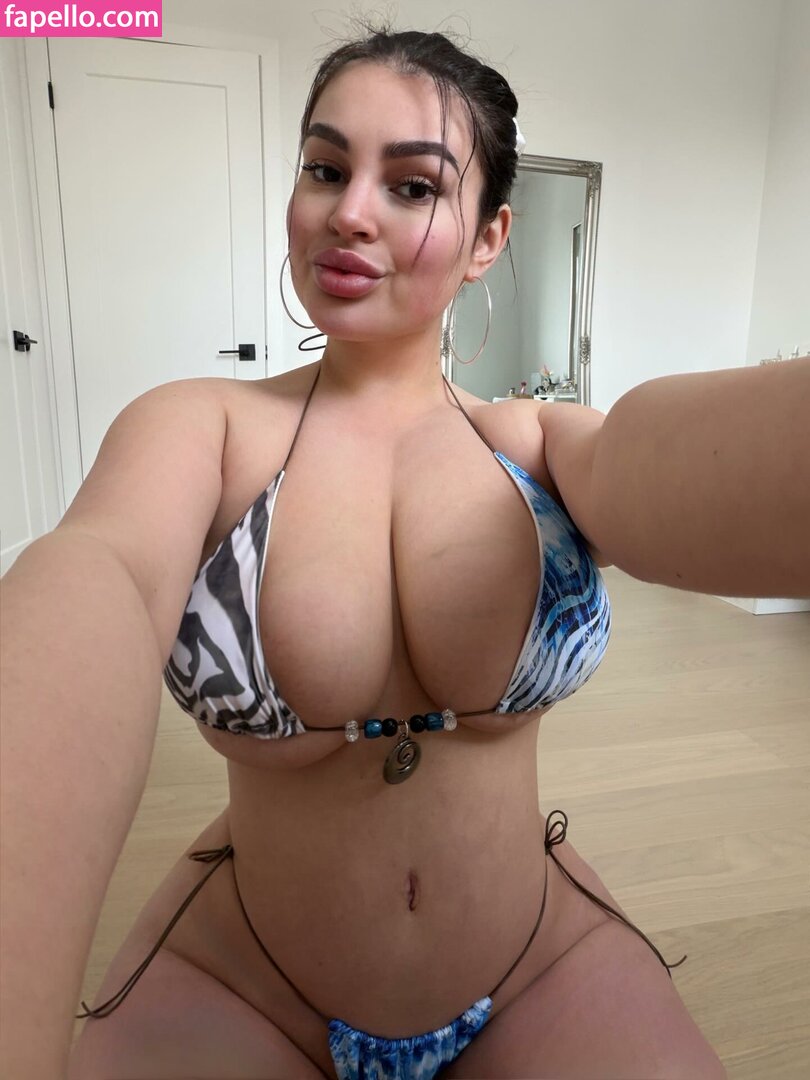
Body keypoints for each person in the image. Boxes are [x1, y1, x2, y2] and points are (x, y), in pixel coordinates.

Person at [2, 22, 807, 1080]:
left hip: (537, 965)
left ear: (488, 238)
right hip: (243, 981)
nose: (350, 211)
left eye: (413, 185)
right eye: (326, 168)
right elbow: (92, 580)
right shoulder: (197, 429)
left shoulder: (537, 444)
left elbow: (665, 463)